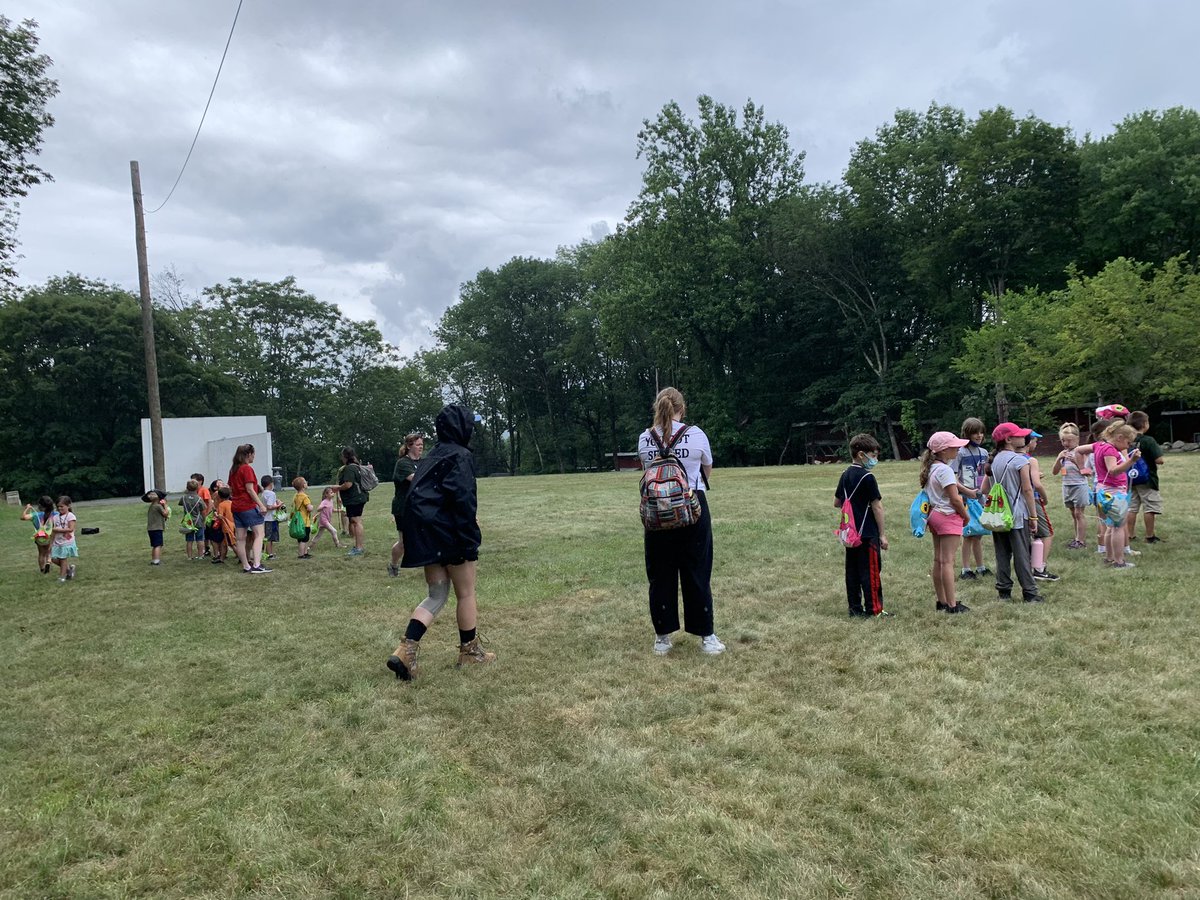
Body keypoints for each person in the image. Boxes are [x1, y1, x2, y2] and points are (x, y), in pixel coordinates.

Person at [387, 404, 496, 680]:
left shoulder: (432, 456)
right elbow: (462, 498)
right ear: (462, 428)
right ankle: (470, 653)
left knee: (436, 594)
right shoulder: (460, 456)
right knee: (466, 592)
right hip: (449, 533)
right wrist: (470, 537)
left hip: (426, 534)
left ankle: (405, 650)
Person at [636, 387, 725, 656]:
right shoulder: (696, 435)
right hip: (692, 506)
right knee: (697, 570)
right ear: (682, 409)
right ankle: (706, 636)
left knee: (660, 573)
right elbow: (706, 471)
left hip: (656, 511)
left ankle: (662, 637)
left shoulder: (644, 438)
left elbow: (647, 472)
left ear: (657, 408)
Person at [834, 433, 889, 618]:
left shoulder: (845, 474)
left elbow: (837, 502)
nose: (875, 460)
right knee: (871, 571)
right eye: (873, 456)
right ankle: (875, 609)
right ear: (860, 455)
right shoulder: (868, 477)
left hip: (850, 532)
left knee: (853, 571)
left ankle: (855, 608)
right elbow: (877, 506)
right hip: (867, 532)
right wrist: (882, 534)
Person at [989, 423, 1043, 603]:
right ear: (1008, 439)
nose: (1024, 438)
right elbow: (1028, 490)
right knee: (1022, 555)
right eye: (1020, 435)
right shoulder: (1021, 460)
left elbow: (987, 486)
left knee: (1002, 554)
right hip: (1018, 515)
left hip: (999, 514)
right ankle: (1030, 592)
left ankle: (1003, 590)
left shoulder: (995, 459)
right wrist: (1034, 516)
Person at [921, 432, 971, 613]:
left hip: (934, 516)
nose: (958, 448)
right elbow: (955, 499)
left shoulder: (932, 467)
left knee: (939, 560)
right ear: (943, 450)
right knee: (948, 562)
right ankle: (952, 604)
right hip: (948, 516)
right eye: (954, 446)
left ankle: (941, 601)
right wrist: (965, 516)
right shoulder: (945, 470)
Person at [1094, 422, 1140, 569]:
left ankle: (1109, 557)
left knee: (1110, 526)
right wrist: (1131, 461)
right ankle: (1119, 561)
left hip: (1105, 490)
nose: (1128, 446)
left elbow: (1082, 449)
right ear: (1119, 437)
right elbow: (1113, 470)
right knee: (1118, 527)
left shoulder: (1101, 446)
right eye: (1128, 442)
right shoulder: (1110, 450)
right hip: (1114, 492)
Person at [951, 417, 989, 581]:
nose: (979, 436)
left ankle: (981, 567)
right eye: (975, 432)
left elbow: (987, 476)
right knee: (968, 534)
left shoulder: (984, 453)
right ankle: (966, 569)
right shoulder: (959, 452)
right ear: (967, 434)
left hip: (980, 497)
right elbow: (952, 478)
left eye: (981, 432)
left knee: (978, 533)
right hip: (966, 498)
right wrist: (966, 491)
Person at [227, 443, 271, 574]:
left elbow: (231, 489)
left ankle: (246, 566)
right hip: (247, 506)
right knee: (259, 534)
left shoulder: (233, 470)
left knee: (240, 538)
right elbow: (250, 490)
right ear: (248, 455)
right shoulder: (246, 469)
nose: (254, 457)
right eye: (253, 454)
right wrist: (261, 505)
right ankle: (257, 565)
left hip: (236, 507)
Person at [1022, 432, 1059, 582]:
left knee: (1030, 535)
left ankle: (1030, 566)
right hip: (1033, 501)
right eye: (1035, 441)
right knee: (1046, 533)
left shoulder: (1014, 458)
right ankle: (1039, 568)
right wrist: (1045, 497)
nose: (1036, 444)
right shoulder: (1031, 460)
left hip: (1019, 502)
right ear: (1029, 442)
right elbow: (1036, 484)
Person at [1127, 411, 1165, 543]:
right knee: (1150, 507)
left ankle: (1130, 535)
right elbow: (1159, 459)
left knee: (1131, 507)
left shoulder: (1126, 441)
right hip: (1147, 479)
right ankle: (1150, 536)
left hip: (1130, 479)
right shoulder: (1148, 440)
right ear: (1144, 424)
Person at [389, 433, 424, 576]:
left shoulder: (422, 462)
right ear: (409, 446)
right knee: (404, 542)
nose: (421, 448)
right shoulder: (403, 463)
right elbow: (417, 479)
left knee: (425, 536)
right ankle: (393, 565)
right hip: (404, 507)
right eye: (418, 445)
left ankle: (430, 566)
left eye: (422, 445)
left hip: (419, 506)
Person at [1052, 423, 1089, 550]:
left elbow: (1088, 473)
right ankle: (1077, 537)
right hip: (1067, 485)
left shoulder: (1081, 452)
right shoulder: (1063, 453)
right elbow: (1055, 472)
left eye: (1069, 441)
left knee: (1079, 513)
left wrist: (1076, 462)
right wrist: (1058, 459)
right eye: (1063, 440)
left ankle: (1081, 540)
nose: (1065, 443)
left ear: (1077, 439)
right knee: (1074, 514)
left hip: (1079, 485)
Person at [332, 447, 369, 557]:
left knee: (356, 521)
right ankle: (358, 546)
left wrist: (337, 487)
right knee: (355, 521)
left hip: (355, 498)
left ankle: (359, 547)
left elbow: (348, 484)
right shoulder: (356, 466)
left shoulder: (349, 468)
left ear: (345, 456)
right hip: (358, 497)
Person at [21, 495, 55, 574]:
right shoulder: (54, 514)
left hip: (39, 537)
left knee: (41, 553)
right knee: (49, 552)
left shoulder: (35, 515)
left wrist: (27, 508)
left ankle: (42, 569)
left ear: (40, 505)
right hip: (49, 537)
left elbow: (23, 517)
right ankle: (48, 562)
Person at [50, 495, 78, 583]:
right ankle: (69, 569)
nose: (59, 508)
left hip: (67, 541)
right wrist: (51, 542)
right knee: (53, 558)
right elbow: (53, 531)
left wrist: (59, 530)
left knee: (63, 558)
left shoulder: (71, 516)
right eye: (58, 506)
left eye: (61, 506)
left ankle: (62, 577)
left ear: (68, 506)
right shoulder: (55, 517)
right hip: (57, 541)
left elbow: (71, 529)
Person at [180, 480, 207, 560]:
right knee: (200, 539)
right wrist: (204, 521)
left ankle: (189, 556)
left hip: (188, 522)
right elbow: (203, 511)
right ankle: (200, 555)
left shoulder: (184, 498)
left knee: (189, 540)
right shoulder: (199, 499)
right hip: (198, 521)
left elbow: (181, 503)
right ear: (197, 488)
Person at [259, 474, 284, 560]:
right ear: (271, 484)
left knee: (268, 537)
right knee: (269, 538)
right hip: (270, 518)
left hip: (265, 518)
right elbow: (269, 507)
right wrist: (279, 505)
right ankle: (270, 554)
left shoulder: (263, 493)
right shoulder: (271, 493)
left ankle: (268, 552)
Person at [143, 489, 170, 566]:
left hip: (150, 529)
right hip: (157, 528)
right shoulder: (158, 506)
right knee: (158, 545)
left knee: (154, 545)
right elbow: (165, 514)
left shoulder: (151, 506)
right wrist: (165, 505)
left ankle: (153, 559)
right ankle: (157, 561)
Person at [292, 476, 314, 559]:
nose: (306, 483)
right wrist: (311, 506)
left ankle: (305, 552)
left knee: (301, 539)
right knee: (304, 539)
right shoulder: (305, 497)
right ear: (303, 486)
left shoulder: (296, 496)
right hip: (304, 521)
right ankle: (301, 555)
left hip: (298, 521)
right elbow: (309, 508)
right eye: (305, 482)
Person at [214, 486, 236, 563]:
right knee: (224, 543)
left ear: (219, 496)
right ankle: (221, 559)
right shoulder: (232, 503)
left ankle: (241, 558)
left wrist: (216, 515)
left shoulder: (221, 505)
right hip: (234, 524)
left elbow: (220, 516)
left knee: (232, 544)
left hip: (227, 527)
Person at [192, 473, 211, 556]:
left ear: (200, 481)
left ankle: (206, 548)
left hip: (203, 514)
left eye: (194, 480)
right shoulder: (193, 491)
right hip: (196, 515)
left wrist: (207, 514)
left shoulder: (204, 490)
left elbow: (209, 502)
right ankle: (202, 549)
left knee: (204, 533)